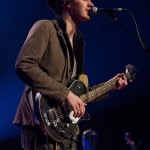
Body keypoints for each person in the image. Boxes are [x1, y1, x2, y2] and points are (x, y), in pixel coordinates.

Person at [13, 0, 128, 149]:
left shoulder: (78, 43)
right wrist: (65, 94)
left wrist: (110, 85)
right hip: (42, 128)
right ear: (67, 3)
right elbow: (24, 65)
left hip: (67, 133)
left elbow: (78, 96)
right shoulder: (45, 27)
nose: (90, 3)